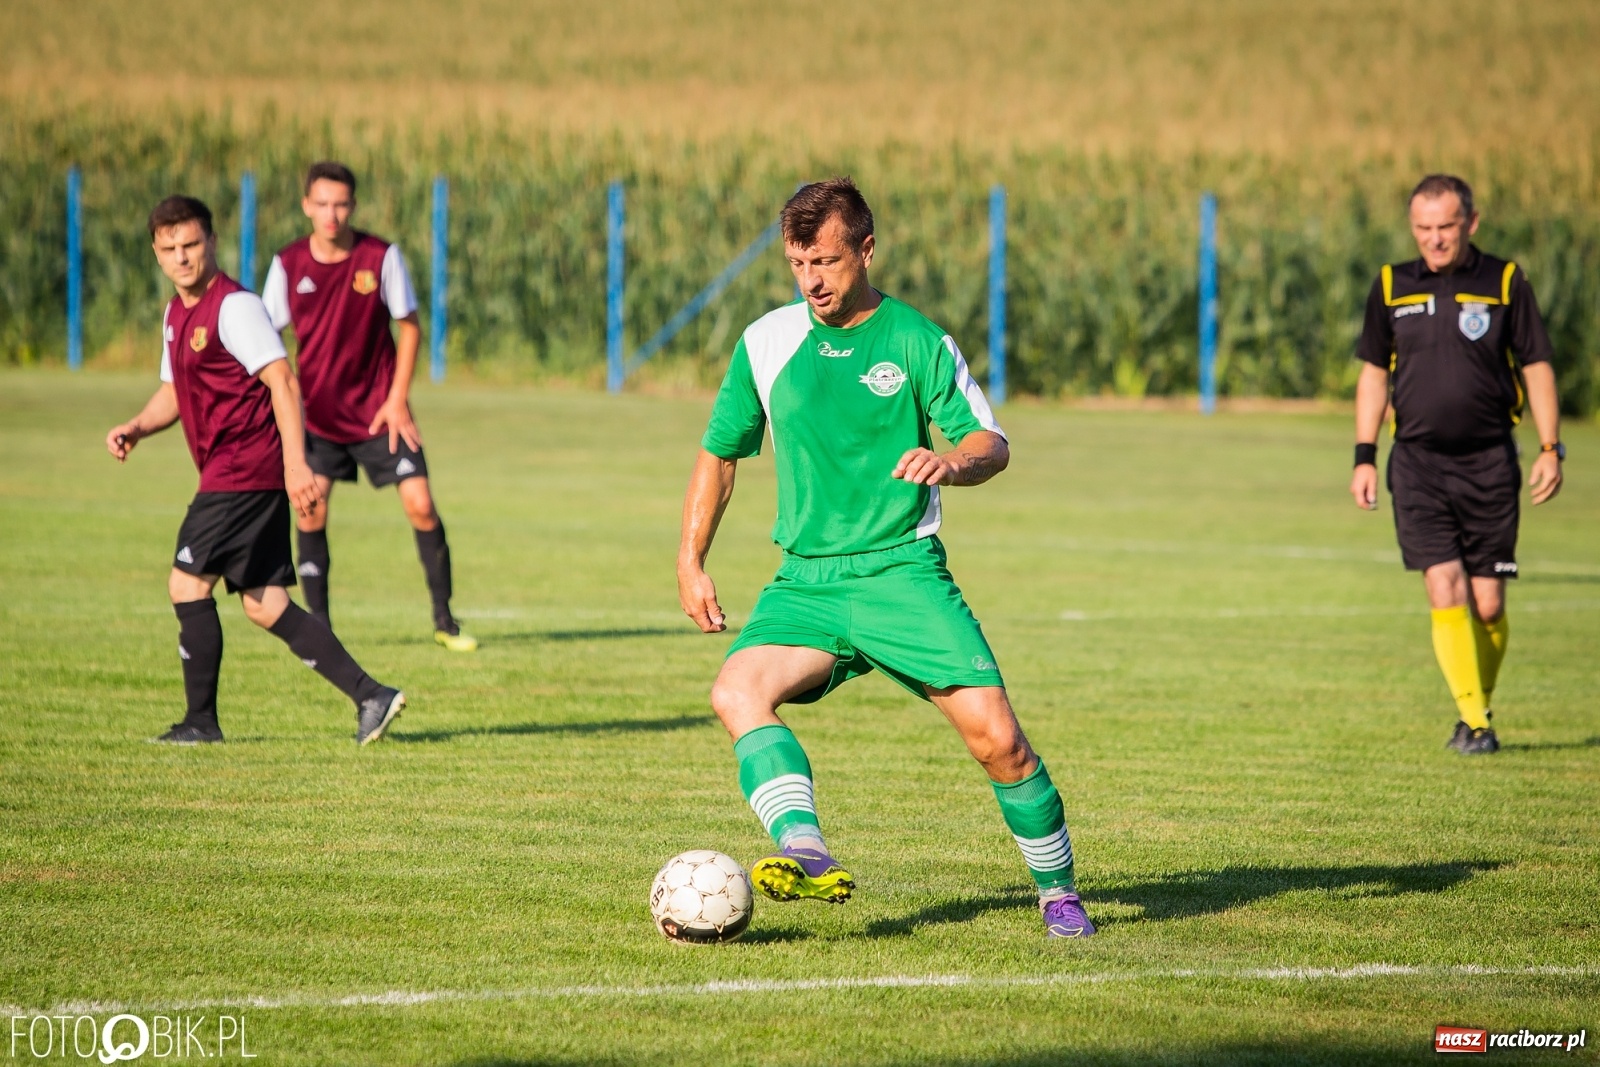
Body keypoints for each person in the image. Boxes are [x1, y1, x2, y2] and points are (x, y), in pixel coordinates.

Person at [677, 178, 1093, 938]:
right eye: (798, 263)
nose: (813, 280)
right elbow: (721, 453)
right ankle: (803, 847)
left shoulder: (916, 340)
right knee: (737, 690)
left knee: (999, 741)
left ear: (866, 250)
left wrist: (952, 465)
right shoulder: (766, 342)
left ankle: (1058, 889)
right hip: (806, 578)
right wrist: (690, 557)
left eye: (828, 261)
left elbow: (988, 442)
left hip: (902, 571)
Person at [106, 195, 406, 745]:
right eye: (170, 248)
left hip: (243, 471)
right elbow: (174, 393)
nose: (182, 257)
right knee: (265, 604)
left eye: (192, 244)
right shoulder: (177, 314)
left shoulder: (234, 306)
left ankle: (201, 723)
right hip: (234, 474)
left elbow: (282, 382)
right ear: (155, 253)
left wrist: (297, 466)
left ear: (212, 242)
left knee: (186, 583)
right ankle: (372, 695)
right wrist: (136, 427)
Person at [1350, 173, 1563, 755]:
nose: (1435, 239)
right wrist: (1364, 454)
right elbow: (1373, 372)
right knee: (1443, 588)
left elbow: (1536, 364)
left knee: (1488, 601)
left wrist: (1551, 446)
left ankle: (1476, 705)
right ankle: (1476, 724)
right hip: (1417, 464)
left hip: (1490, 462)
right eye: (1423, 228)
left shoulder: (1504, 282)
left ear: (1470, 222)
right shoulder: (1392, 285)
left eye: (1446, 226)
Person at [262, 161, 476, 652]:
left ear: (352, 206)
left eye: (340, 204)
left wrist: (398, 398)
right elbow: (268, 340)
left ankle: (445, 621)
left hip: (380, 413)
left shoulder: (380, 256)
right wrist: (287, 405)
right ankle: (320, 629)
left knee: (421, 506)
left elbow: (410, 326)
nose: (331, 214)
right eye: (321, 203)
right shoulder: (288, 264)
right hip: (317, 418)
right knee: (310, 512)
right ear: (306, 206)